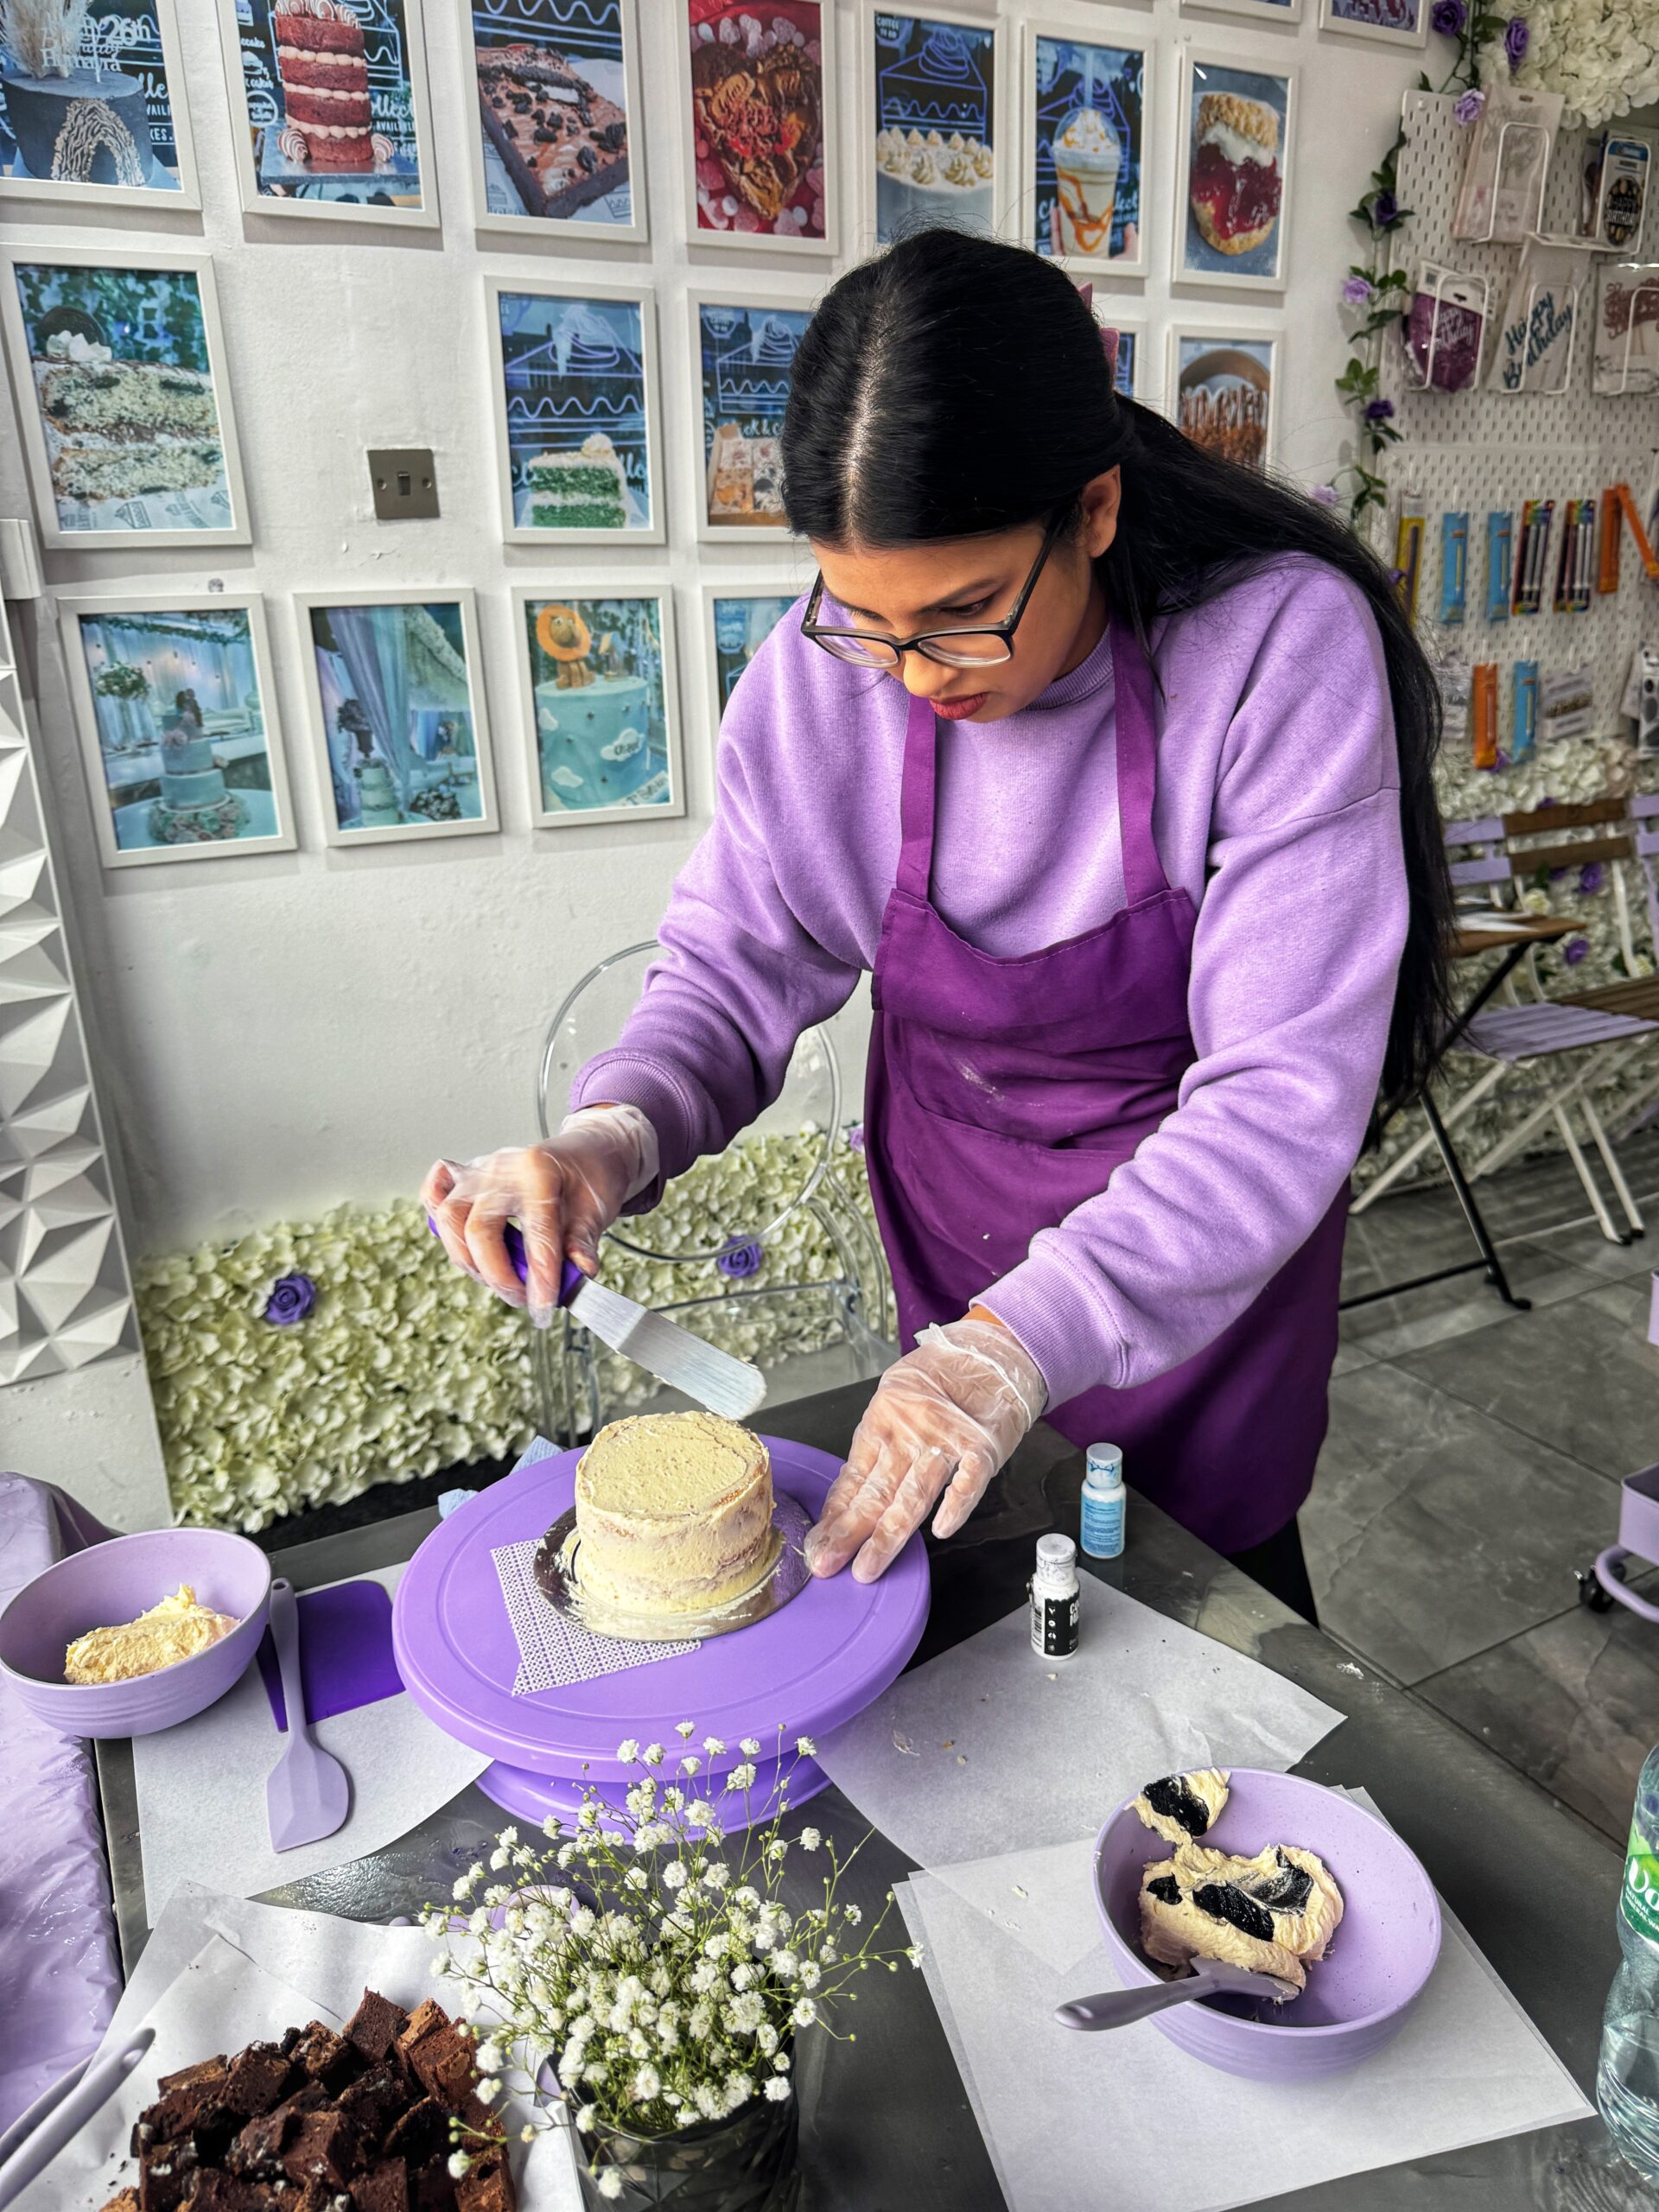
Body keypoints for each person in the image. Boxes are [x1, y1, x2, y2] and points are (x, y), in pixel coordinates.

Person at [424, 232, 1452, 1624]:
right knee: (974, 1624)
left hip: (1199, 1264)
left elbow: (1280, 1094)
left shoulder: (1273, 650)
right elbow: (735, 969)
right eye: (867, 621)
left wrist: (1024, 1341)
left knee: (1213, 1652)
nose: (912, 679)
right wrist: (612, 1142)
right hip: (956, 1238)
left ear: (1090, 512)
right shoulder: (822, 674)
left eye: (965, 618)